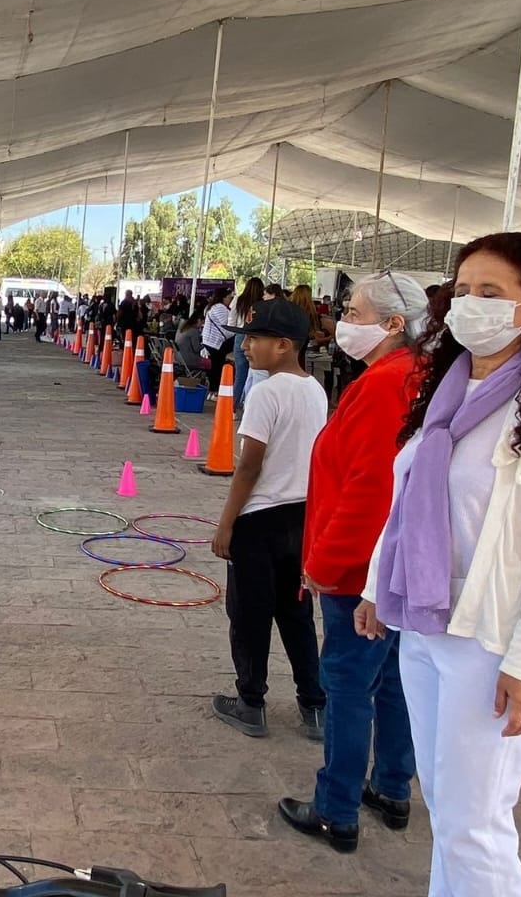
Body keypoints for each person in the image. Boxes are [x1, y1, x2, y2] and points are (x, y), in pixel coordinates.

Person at [357, 232, 521, 895]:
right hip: (426, 627)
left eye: (492, 293)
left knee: (476, 825)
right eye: (463, 291)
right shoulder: (444, 396)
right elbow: (406, 501)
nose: (471, 304)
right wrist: (380, 585)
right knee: (448, 811)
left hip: (489, 641)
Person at [276, 270, 430, 853]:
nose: (344, 321)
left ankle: (335, 806)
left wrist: (325, 561)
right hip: (387, 560)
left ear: (394, 325)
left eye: (357, 313)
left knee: (346, 681)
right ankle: (391, 785)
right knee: (389, 678)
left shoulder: (385, 384)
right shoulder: (408, 376)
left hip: (361, 566)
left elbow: (370, 489)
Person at [209, 298, 328, 741]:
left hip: (260, 519)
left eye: (255, 340)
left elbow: (249, 465)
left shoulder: (266, 392)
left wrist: (226, 523)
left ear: (284, 345)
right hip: (301, 517)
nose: (246, 348)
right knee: (296, 614)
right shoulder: (314, 390)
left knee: (249, 615)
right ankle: (313, 704)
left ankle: (251, 702)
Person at [230, 278, 265, 410]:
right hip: (257, 337)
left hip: (240, 335)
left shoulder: (238, 300)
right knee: (256, 375)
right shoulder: (263, 303)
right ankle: (250, 407)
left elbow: (231, 323)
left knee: (240, 375)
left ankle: (231, 407)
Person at [200, 287, 235, 392]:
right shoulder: (219, 307)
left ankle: (214, 389)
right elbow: (227, 325)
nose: (231, 300)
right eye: (230, 297)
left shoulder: (213, 307)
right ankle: (215, 389)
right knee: (217, 366)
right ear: (223, 297)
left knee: (216, 366)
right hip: (215, 342)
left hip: (211, 341)